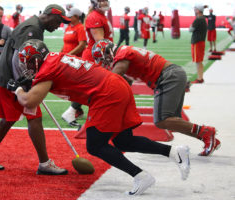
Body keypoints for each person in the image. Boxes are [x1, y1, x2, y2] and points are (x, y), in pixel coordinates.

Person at [10, 39, 190, 196]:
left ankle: (140, 176)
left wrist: (16, 89)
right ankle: (174, 152)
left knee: (95, 145)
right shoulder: (54, 59)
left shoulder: (47, 69)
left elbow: (29, 101)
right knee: (124, 141)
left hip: (106, 93)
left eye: (26, 62)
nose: (24, 67)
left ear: (34, 60)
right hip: (117, 86)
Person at [0, 4, 71, 175]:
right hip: (11, 80)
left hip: (8, 78)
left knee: (8, 120)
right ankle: (44, 163)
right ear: (49, 15)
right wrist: (26, 86)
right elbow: (19, 58)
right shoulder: (32, 28)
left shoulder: (34, 25)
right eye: (58, 21)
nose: (59, 26)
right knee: (34, 117)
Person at [91, 39, 221, 156]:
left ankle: (205, 131)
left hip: (167, 77)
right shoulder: (124, 53)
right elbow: (124, 84)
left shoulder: (122, 54)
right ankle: (207, 137)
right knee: (172, 122)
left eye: (105, 59)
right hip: (171, 75)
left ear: (108, 51)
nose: (106, 63)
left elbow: (114, 78)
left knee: (162, 120)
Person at [61, 0, 114, 127]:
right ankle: (71, 111)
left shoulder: (100, 15)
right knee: (92, 87)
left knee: (96, 87)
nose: (105, 2)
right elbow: (100, 42)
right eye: (101, 0)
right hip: (96, 56)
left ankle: (81, 111)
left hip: (100, 55)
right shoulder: (95, 17)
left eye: (106, 0)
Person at [189, 4, 207, 84]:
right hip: (200, 41)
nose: (194, 11)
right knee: (199, 61)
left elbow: (190, 29)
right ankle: (200, 77)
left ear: (198, 11)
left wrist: (190, 26)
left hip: (197, 42)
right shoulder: (202, 18)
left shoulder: (198, 19)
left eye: (195, 9)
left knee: (198, 61)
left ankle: (200, 78)